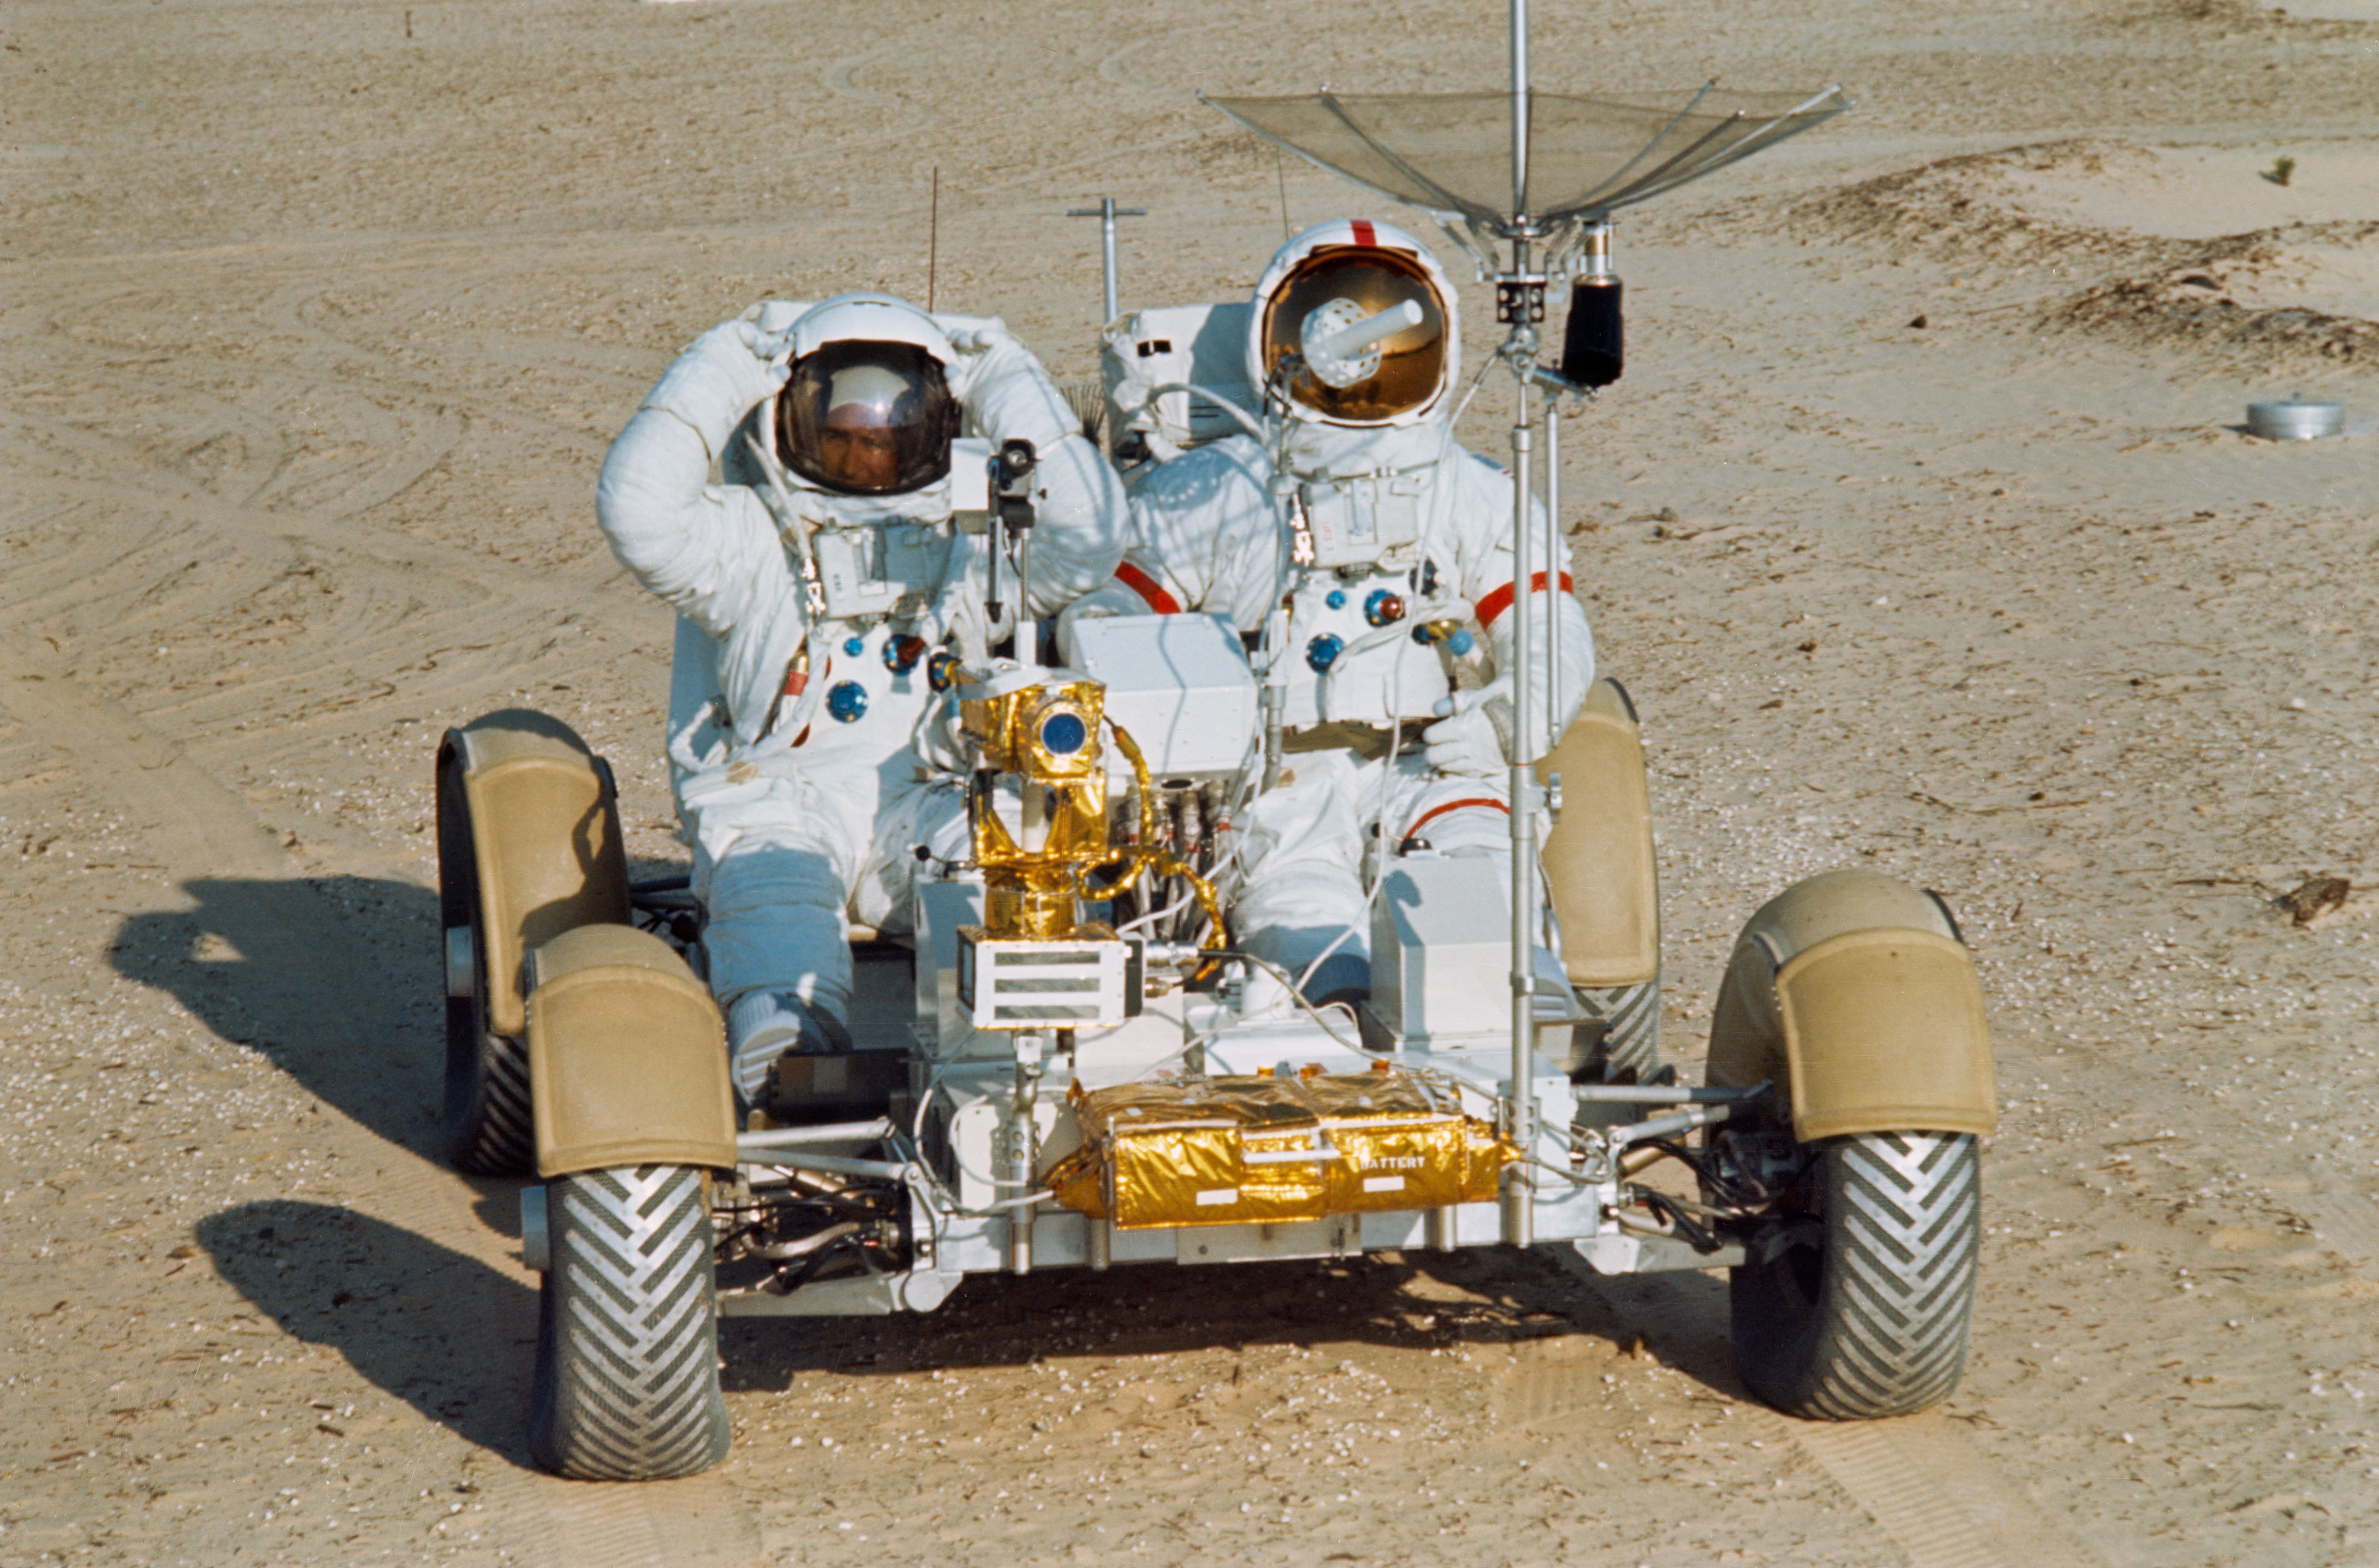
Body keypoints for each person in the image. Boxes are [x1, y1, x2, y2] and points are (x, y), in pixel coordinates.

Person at [597, 292, 1123, 1108]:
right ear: (792, 427)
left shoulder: (977, 543)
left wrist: (1001, 373)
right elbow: (636, 509)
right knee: (773, 884)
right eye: (839, 440)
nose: (862, 461)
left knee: (1012, 861)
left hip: (926, 800)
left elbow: (1090, 539)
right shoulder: (745, 538)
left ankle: (1022, 1057)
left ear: (930, 432)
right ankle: (788, 1046)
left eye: (884, 441)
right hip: (783, 796)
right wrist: (730, 360)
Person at [1061, 220, 1594, 1007]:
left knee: (1481, 909)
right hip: (1279, 781)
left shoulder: (1475, 492)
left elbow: (1548, 628)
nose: (1358, 375)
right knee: (1309, 940)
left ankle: (1492, 1072)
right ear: (1281, 344)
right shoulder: (1213, 493)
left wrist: (1514, 714)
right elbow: (1105, 622)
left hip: (1438, 764)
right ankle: (1331, 1045)